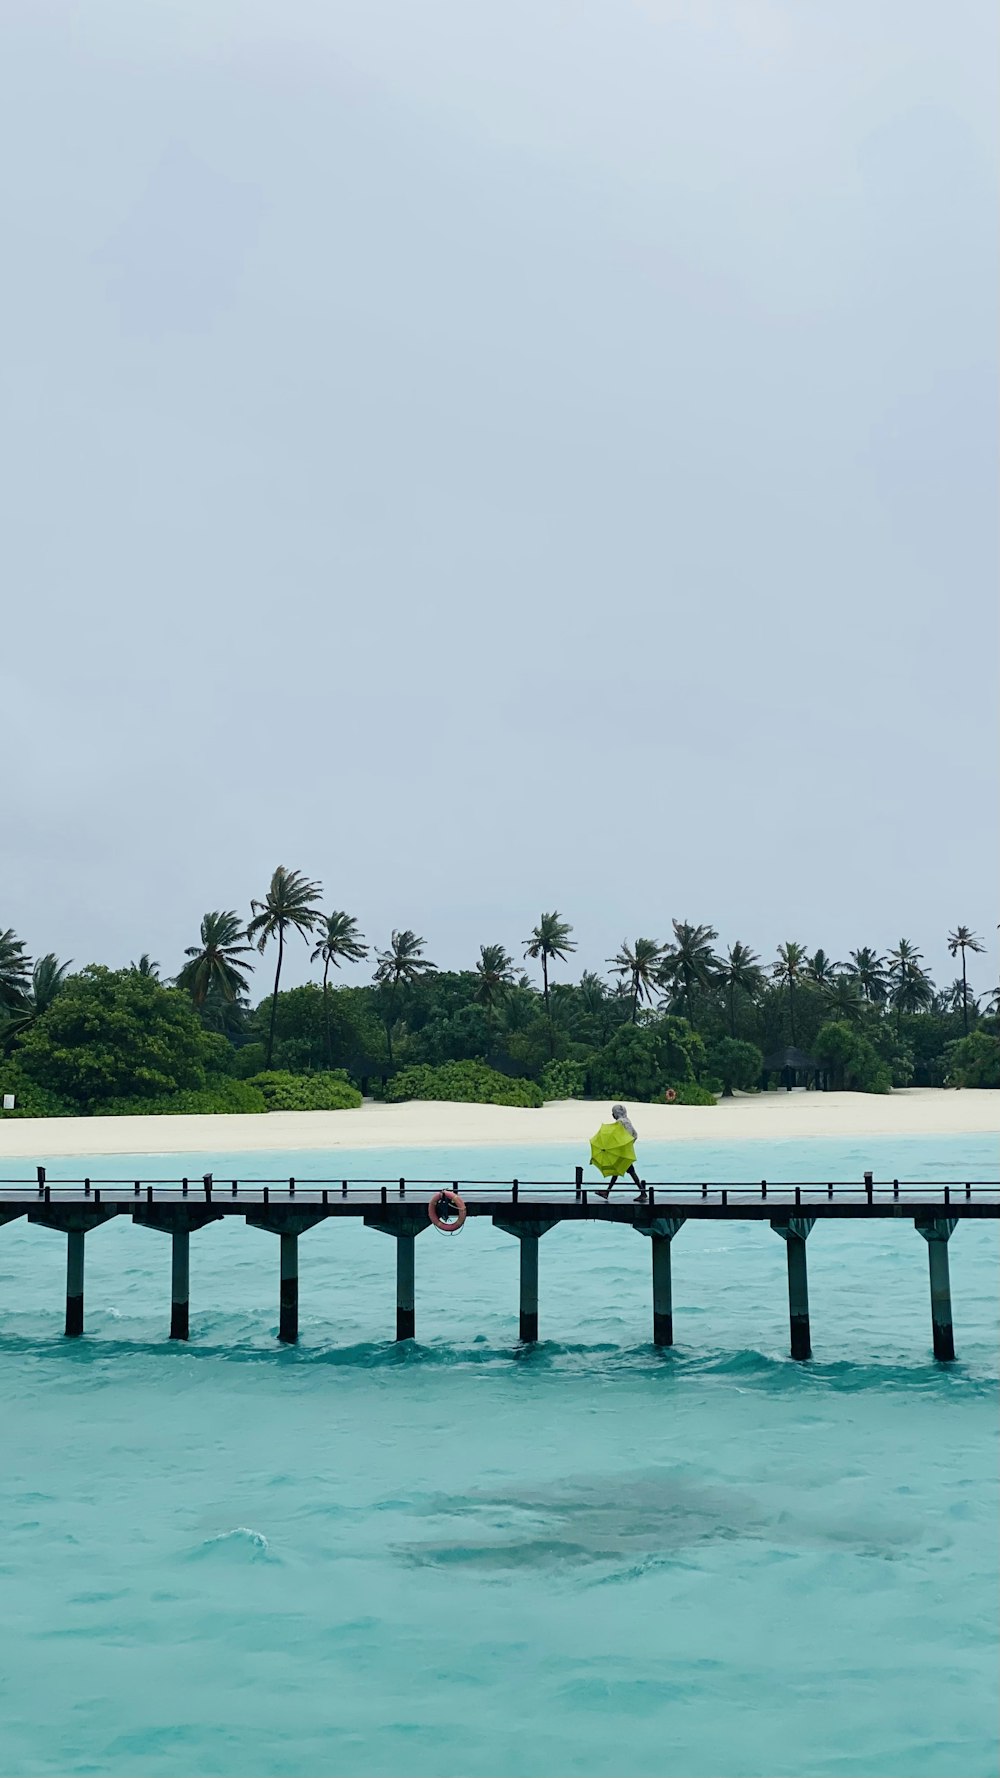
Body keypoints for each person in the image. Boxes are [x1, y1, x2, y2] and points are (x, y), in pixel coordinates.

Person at [595, 1103, 646, 1201]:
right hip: (625, 1151)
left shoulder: (619, 1122)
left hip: (621, 1152)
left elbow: (615, 1136)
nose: (612, 1115)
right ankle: (607, 1192)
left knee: (628, 1172)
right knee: (621, 1171)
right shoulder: (628, 1121)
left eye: (613, 1112)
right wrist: (628, 1145)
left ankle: (643, 1193)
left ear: (616, 1113)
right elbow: (635, 1135)